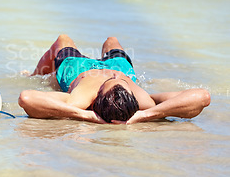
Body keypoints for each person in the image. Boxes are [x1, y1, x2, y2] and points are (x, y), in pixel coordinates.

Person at [18, 34, 210, 124]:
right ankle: (34, 74)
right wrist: (146, 114)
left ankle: (34, 75)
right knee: (111, 41)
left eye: (112, 81)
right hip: (121, 66)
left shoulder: (79, 100)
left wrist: (84, 115)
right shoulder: (145, 102)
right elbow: (202, 97)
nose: (113, 76)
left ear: (97, 96)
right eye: (119, 81)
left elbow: (27, 99)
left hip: (77, 69)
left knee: (63, 40)